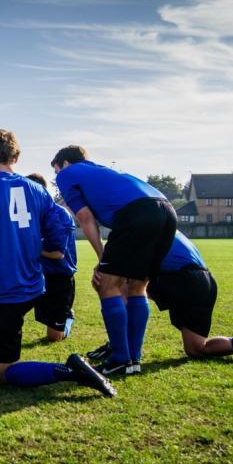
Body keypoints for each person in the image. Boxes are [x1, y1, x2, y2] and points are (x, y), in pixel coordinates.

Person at [0, 130, 115, 397]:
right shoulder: (39, 191)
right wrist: (31, 245)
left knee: (5, 372)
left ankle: (70, 370)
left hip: (2, 289)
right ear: (17, 156)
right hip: (34, 284)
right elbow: (58, 239)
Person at [52, 145, 176, 376]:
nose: (57, 176)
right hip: (166, 210)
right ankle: (133, 359)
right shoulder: (99, 171)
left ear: (65, 164)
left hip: (137, 213)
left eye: (56, 170)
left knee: (106, 284)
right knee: (137, 286)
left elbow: (86, 218)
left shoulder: (68, 173)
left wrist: (102, 258)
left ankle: (120, 358)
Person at [88, 232, 233, 364]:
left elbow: (125, 273)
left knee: (116, 287)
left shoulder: (138, 226)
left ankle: (119, 348)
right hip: (205, 281)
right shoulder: (160, 221)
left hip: (182, 278)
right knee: (197, 349)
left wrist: (102, 271)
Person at [26, 173, 76, 342]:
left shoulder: (59, 215)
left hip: (59, 277)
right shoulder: (28, 214)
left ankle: (68, 318)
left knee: (54, 337)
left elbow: (57, 254)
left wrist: (30, 249)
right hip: (36, 274)